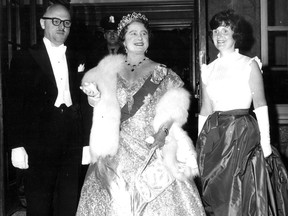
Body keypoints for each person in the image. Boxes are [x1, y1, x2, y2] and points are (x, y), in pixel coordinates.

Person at [76, 12, 206, 215]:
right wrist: (93, 96)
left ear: (148, 40)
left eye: (143, 34)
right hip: (115, 148)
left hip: (151, 145)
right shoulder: (107, 70)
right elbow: (98, 103)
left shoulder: (163, 73)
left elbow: (175, 109)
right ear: (124, 41)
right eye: (133, 33)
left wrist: (162, 133)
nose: (139, 38)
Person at [7, 4, 88, 216]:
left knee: (69, 202)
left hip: (71, 139)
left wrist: (86, 143)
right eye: (56, 21)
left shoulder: (78, 56)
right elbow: (14, 104)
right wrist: (16, 145)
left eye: (66, 22)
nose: (62, 26)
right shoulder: (25, 57)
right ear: (43, 23)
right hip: (38, 141)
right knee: (39, 203)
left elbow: (84, 102)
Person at [196, 9, 275, 215]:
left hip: (241, 134)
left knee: (239, 193)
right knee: (216, 193)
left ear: (235, 34)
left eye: (225, 30)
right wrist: (200, 147)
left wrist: (266, 146)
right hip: (215, 135)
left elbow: (260, 105)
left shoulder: (249, 64)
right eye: (215, 31)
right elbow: (205, 108)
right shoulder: (208, 69)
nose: (219, 36)